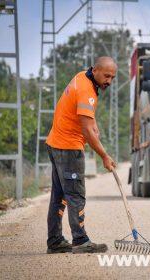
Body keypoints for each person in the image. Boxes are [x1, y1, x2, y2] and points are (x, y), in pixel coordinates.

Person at [45, 57, 118, 254]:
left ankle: (55, 241)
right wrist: (104, 155)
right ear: (95, 70)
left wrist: (94, 125)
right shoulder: (87, 90)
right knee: (75, 194)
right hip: (68, 148)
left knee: (59, 196)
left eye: (113, 77)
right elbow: (86, 130)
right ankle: (80, 240)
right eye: (106, 76)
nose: (109, 81)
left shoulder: (81, 77)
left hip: (55, 143)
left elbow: (86, 118)